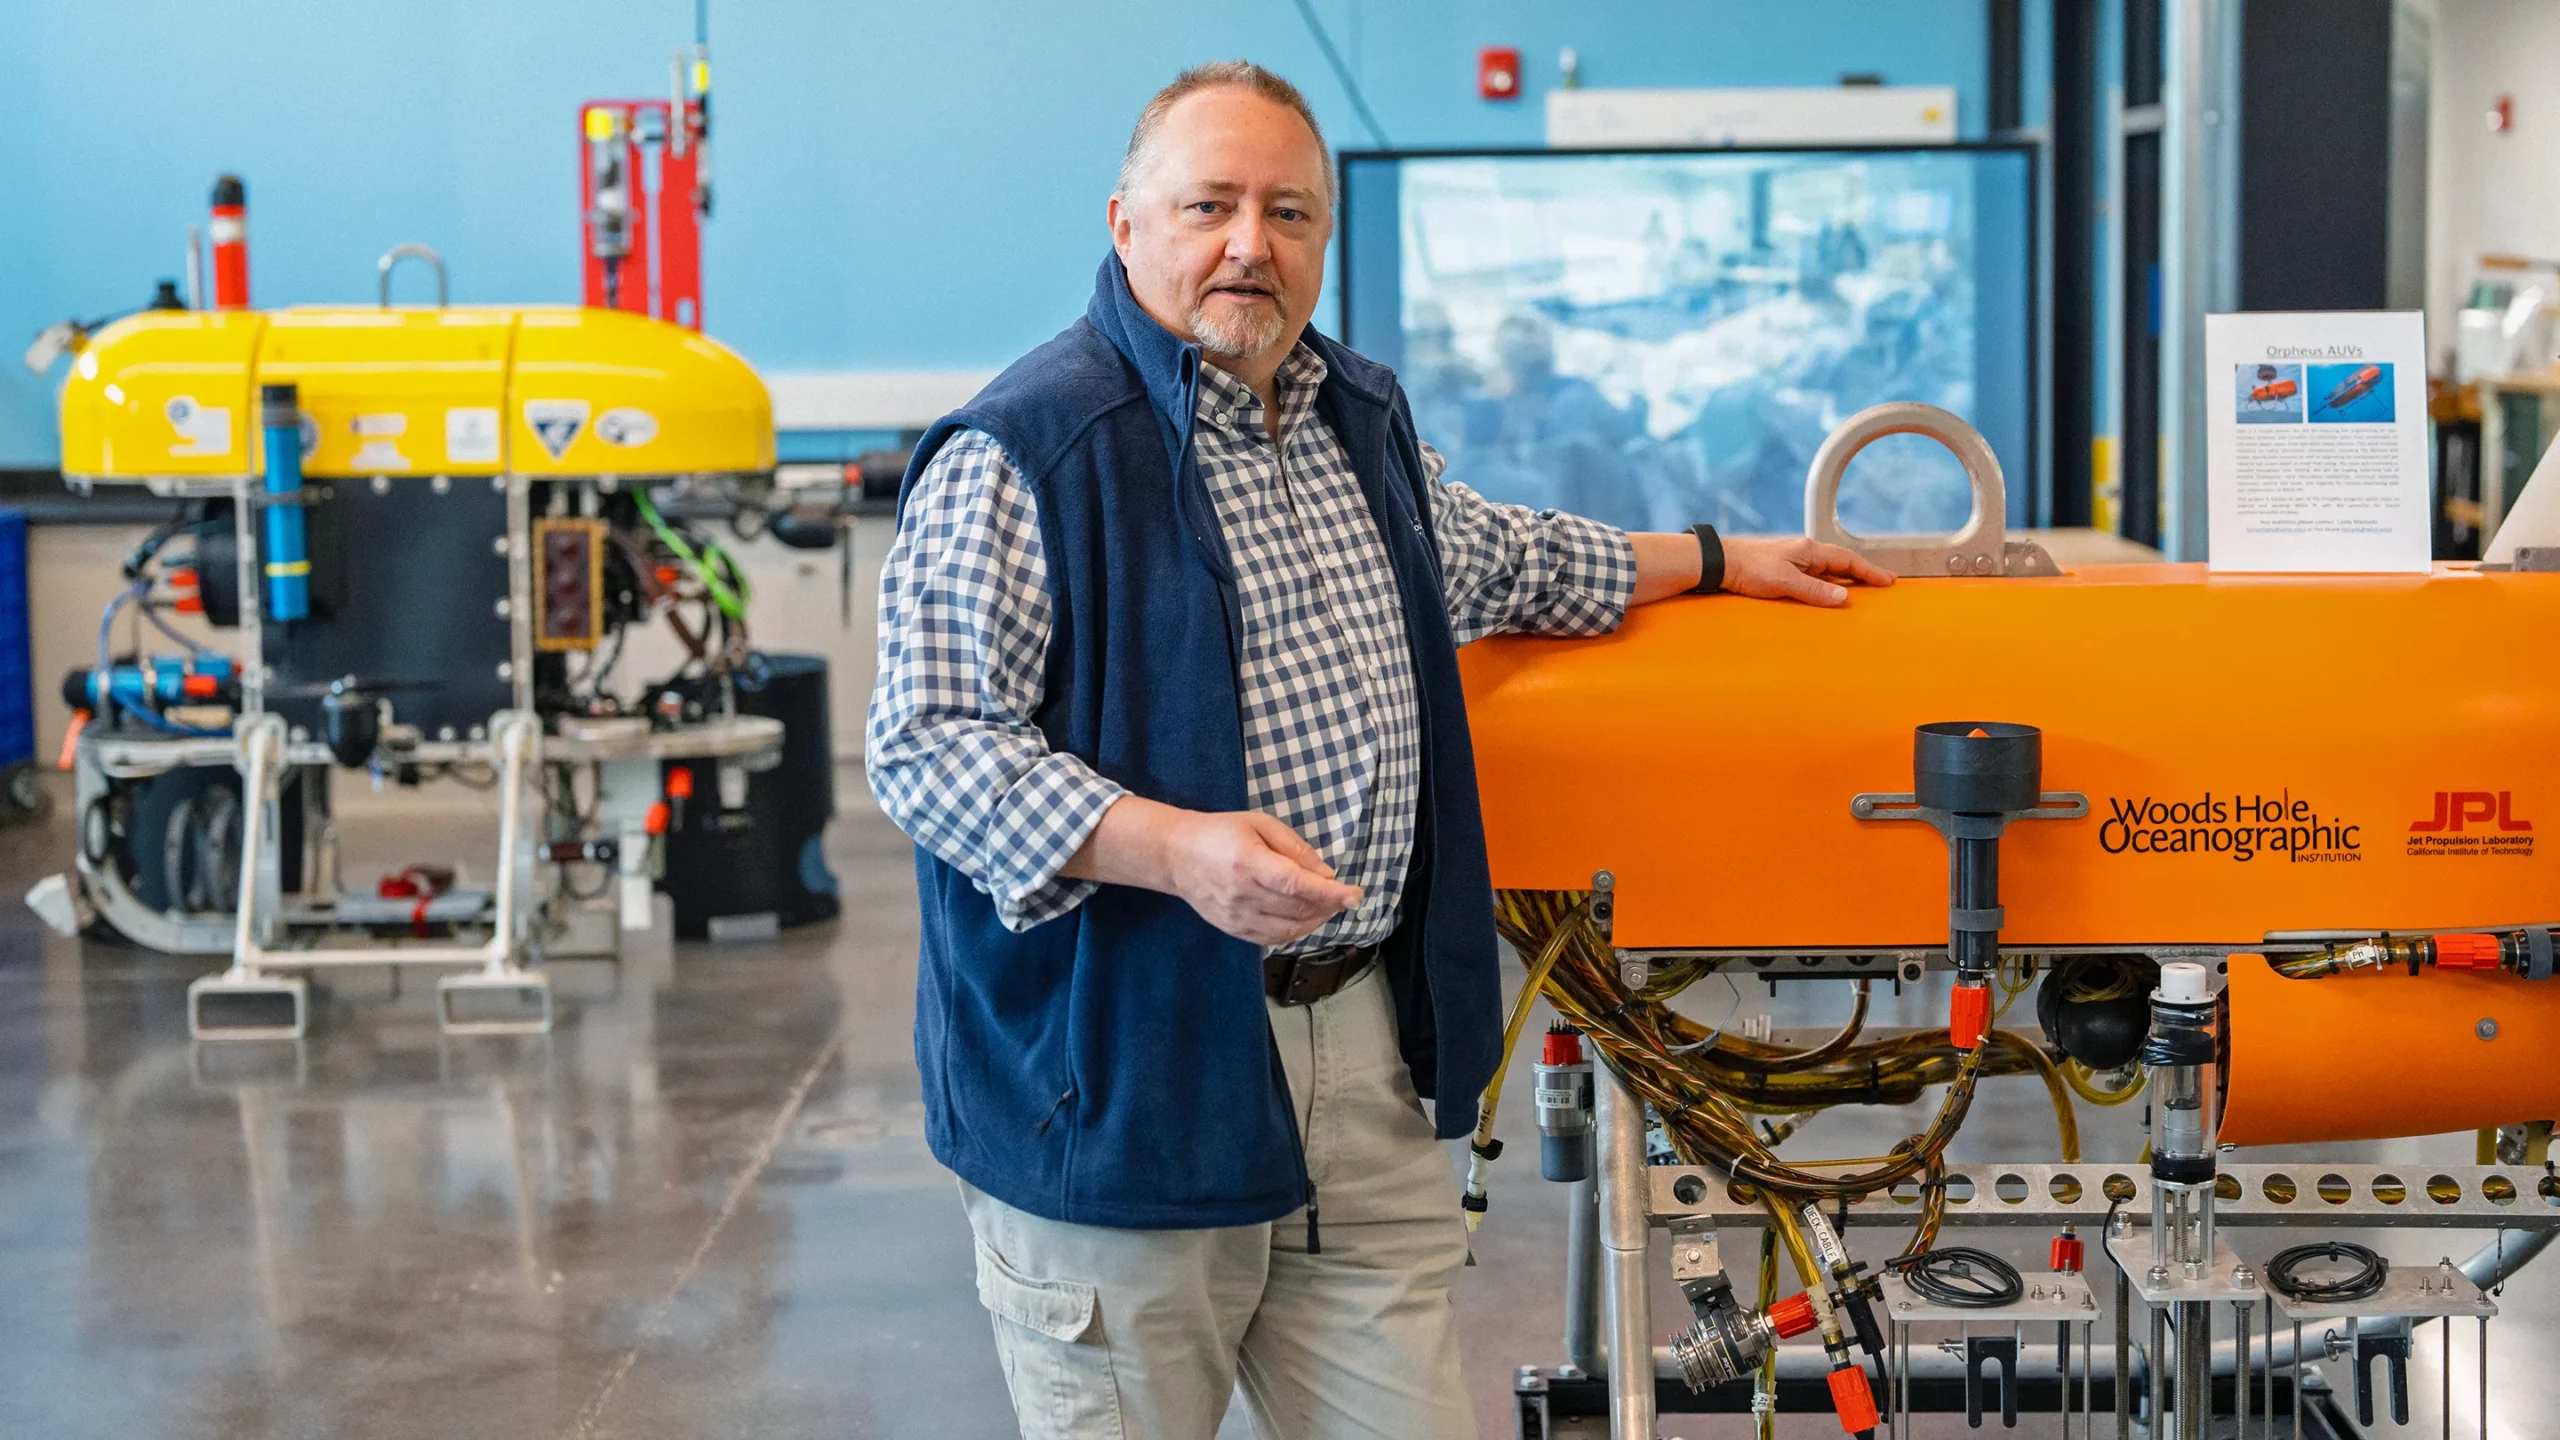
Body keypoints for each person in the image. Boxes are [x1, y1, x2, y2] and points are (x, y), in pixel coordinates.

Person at [865, 60, 1891, 1440]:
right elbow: (927, 747)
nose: (1251, 245)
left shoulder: (1357, 413)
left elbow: (1495, 556)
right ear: (1125, 223)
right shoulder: (1029, 447)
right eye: (1210, 205)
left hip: (1367, 1042)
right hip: (1121, 1063)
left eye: (1289, 213)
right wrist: (1176, 850)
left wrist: (1715, 558)